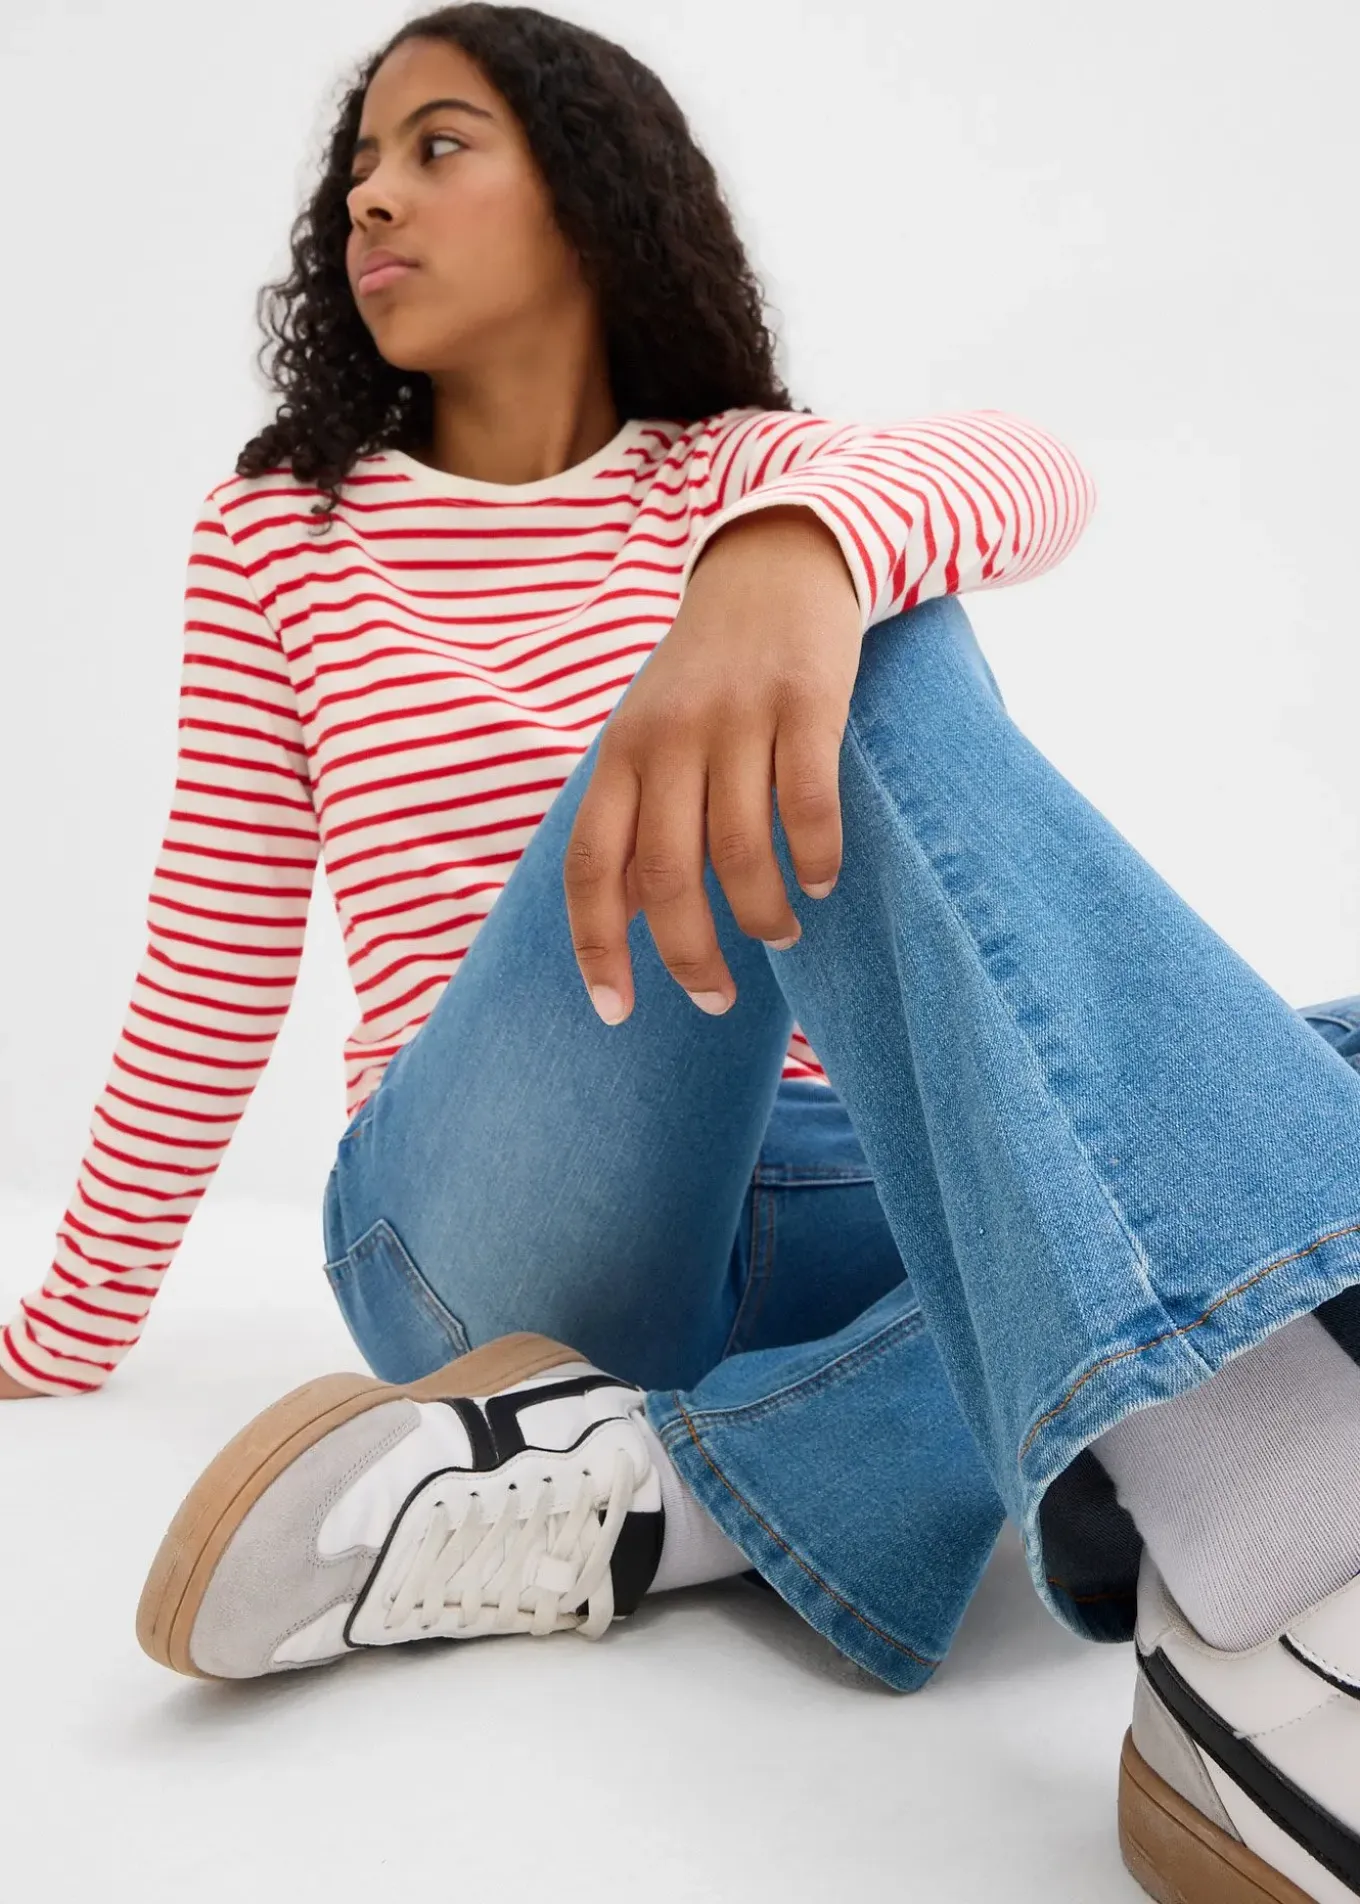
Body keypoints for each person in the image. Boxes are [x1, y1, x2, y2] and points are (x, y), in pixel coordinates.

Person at [3, 5, 1359, 1899]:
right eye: (357, 168)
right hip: (505, 1219)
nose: (367, 200)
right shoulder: (281, 536)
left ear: (591, 193)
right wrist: (56, 1334)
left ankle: (664, 1487)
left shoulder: (735, 471)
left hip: (840, 1192)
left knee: (1287, 1080)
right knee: (890, 672)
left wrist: (787, 547)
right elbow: (209, 960)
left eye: (436, 146)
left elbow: (1033, 468)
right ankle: (1291, 1563)